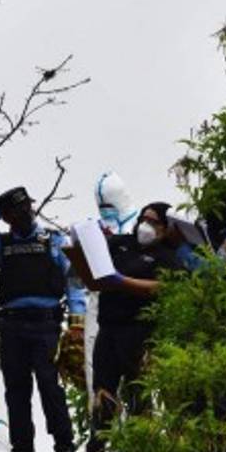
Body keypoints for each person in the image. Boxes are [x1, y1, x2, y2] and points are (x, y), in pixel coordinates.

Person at [0, 186, 85, 452]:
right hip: (12, 326)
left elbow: (74, 282)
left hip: (46, 324)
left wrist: (77, 322)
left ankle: (64, 448)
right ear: (7, 217)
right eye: (16, 212)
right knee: (16, 391)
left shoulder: (53, 241)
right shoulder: (1, 245)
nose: (24, 215)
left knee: (50, 387)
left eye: (26, 208)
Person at [79, 203, 184, 452]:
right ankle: (96, 449)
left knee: (138, 389)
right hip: (109, 327)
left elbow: (162, 288)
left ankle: (142, 450)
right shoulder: (121, 244)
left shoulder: (167, 256)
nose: (145, 226)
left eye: (153, 222)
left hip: (138, 330)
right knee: (103, 388)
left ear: (165, 228)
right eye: (142, 219)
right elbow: (94, 265)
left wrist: (121, 282)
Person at [84, 172, 139, 408]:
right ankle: (101, 430)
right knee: (94, 370)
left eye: (109, 204)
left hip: (131, 305)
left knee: (136, 376)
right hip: (99, 302)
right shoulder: (93, 227)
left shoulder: (139, 225)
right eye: (101, 206)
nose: (105, 210)